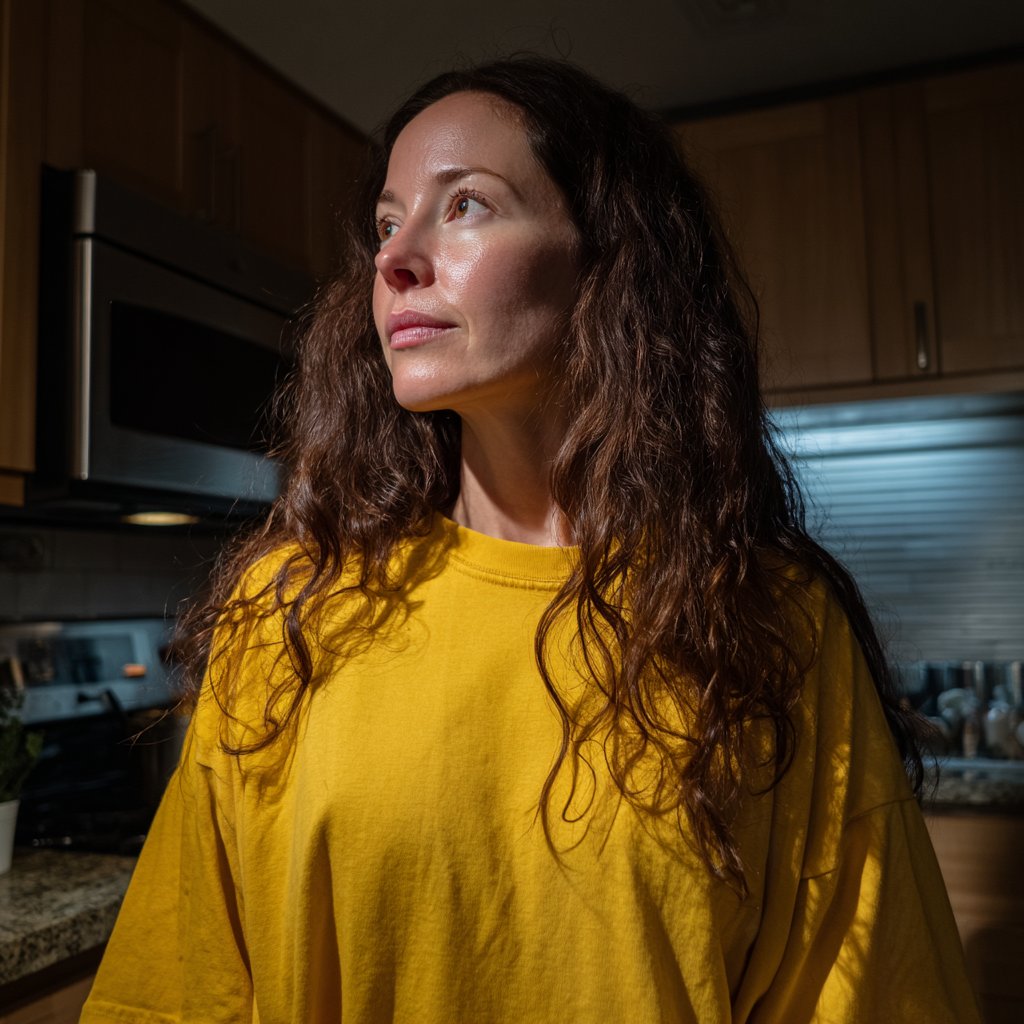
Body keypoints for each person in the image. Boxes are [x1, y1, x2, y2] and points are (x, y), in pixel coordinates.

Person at [81, 57, 980, 1023]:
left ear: (609, 262)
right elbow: (173, 994)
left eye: (464, 205)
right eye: (387, 223)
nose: (394, 259)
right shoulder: (290, 609)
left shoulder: (768, 629)